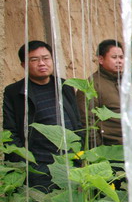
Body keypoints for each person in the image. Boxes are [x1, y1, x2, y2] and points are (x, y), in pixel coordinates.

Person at [3, 41, 82, 192]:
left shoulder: (64, 86)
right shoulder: (14, 93)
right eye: (34, 60)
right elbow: (10, 132)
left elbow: (77, 122)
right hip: (40, 168)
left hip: (70, 163)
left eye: (46, 58)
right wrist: (29, 165)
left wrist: (79, 155)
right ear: (24, 65)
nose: (42, 63)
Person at [77, 39, 125, 147]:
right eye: (114, 57)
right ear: (101, 59)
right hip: (110, 149)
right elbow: (87, 122)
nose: (119, 61)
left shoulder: (126, 82)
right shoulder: (91, 85)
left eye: (121, 57)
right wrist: (99, 149)